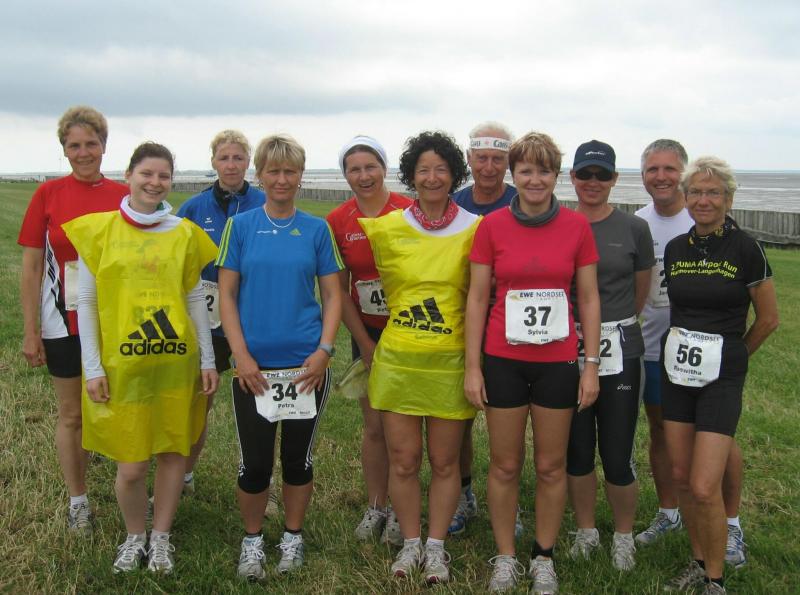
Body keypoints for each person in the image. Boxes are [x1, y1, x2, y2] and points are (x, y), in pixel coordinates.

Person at [62, 142, 220, 574]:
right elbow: (87, 303)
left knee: (172, 452)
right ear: (128, 175)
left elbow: (194, 299)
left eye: (163, 176)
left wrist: (207, 360)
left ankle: (161, 536)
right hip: (123, 368)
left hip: (175, 365)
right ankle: (135, 536)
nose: (155, 182)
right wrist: (92, 367)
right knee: (131, 468)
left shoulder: (185, 234)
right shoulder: (100, 232)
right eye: (147, 173)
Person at [465, 131, 601, 593]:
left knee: (550, 466)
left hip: (557, 362)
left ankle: (543, 555)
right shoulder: (492, 227)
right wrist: (472, 366)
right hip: (503, 359)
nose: (535, 179)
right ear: (513, 174)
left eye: (544, 171)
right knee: (504, 465)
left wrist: (590, 365)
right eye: (526, 170)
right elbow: (478, 297)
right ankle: (505, 556)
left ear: (556, 175)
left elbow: (588, 297)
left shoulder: (576, 227)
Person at [216, 133, 343, 581]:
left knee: (297, 459)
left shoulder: (317, 229)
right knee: (254, 463)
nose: (282, 179)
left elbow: (333, 295)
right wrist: (240, 355)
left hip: (305, 367)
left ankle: (292, 536)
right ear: (260, 175)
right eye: (274, 171)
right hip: (253, 367)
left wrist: (324, 350)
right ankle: (252, 540)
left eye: (290, 171)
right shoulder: (240, 227)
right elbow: (226, 295)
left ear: (301, 176)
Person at [359, 130, 478, 585]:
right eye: (423, 170)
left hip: (450, 364)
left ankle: (436, 546)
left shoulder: (475, 228)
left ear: (454, 175)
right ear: (411, 175)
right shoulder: (385, 228)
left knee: (446, 462)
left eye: (441, 169)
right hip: (398, 363)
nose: (432, 178)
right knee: (404, 460)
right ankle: (410, 543)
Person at [660, 157, 777, 594]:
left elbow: (768, 319)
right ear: (686, 198)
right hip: (678, 371)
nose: (704, 200)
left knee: (704, 484)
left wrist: (734, 357)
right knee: (680, 474)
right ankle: (698, 560)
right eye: (696, 192)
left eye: (713, 193)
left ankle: (715, 579)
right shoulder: (677, 248)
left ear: (728, 199)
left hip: (721, 376)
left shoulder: (746, 248)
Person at [634, 141, 748, 568]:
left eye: (669, 168)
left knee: (718, 439)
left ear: (681, 173)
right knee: (661, 431)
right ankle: (669, 512)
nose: (661, 176)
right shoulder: (639, 223)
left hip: (711, 358)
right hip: (656, 349)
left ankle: (731, 523)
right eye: (652, 169)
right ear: (643, 175)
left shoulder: (705, 216)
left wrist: (733, 355)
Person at [17, 105, 129, 533]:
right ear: (64, 149)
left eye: (91, 144)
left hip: (115, 321)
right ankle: (78, 501)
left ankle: (131, 490)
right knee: (72, 414)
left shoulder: (124, 194)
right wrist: (31, 331)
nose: (83, 153)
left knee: (120, 407)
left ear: (104, 145)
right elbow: (31, 266)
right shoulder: (48, 194)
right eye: (74, 145)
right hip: (62, 321)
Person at [564, 140, 654, 572]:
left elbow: (640, 291)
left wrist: (610, 325)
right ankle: (586, 531)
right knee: (577, 450)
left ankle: (623, 536)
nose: (593, 182)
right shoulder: (561, 224)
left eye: (602, 175)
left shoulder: (634, 228)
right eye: (585, 174)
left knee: (617, 453)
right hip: (568, 349)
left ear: (615, 179)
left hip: (621, 350)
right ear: (573, 178)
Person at [326, 135, 412, 545]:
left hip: (411, 331)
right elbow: (339, 291)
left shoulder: (408, 211)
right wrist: (364, 343)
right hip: (368, 334)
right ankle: (376, 505)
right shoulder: (338, 220)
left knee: (405, 427)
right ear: (346, 175)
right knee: (375, 425)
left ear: (384, 168)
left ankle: (401, 507)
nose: (363, 176)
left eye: (370, 167)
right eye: (354, 169)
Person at [176, 130, 265, 495]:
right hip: (206, 320)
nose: (231, 165)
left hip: (251, 320)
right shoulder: (193, 208)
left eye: (238, 158)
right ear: (213, 161)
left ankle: (262, 483)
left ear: (248, 162)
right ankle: (183, 476)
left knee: (261, 407)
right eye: (224, 158)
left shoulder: (264, 202)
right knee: (198, 403)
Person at [448, 121, 519, 538]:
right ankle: (463, 493)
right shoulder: (455, 204)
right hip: (463, 320)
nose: (489, 167)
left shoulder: (520, 202)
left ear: (508, 162)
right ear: (469, 158)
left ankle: (509, 501)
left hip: (511, 327)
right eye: (482, 158)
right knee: (458, 419)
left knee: (506, 422)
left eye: (497, 159)